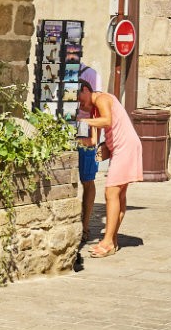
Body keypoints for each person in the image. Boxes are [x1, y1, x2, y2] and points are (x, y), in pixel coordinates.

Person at [76, 68, 143, 258]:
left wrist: (83, 120)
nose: (81, 105)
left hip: (125, 148)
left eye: (81, 100)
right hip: (123, 148)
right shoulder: (95, 106)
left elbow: (107, 120)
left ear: (86, 90)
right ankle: (112, 241)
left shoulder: (103, 99)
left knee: (110, 192)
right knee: (119, 195)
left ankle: (106, 242)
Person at [73, 68, 103, 237]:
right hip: (67, 120)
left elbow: (95, 106)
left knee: (87, 179)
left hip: (85, 124)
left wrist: (91, 137)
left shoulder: (91, 74)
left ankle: (85, 225)